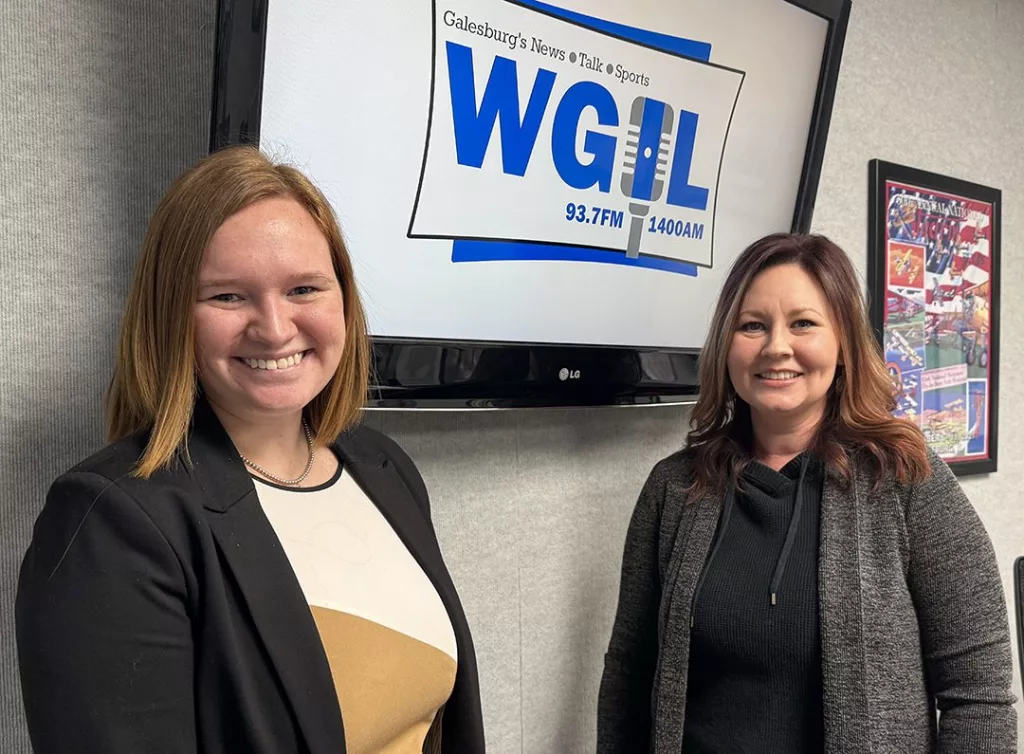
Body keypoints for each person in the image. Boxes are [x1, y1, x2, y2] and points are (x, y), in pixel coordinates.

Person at [16, 146, 485, 754]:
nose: (274, 327)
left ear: (343, 297)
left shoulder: (384, 468)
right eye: (228, 296)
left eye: (303, 288)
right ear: (170, 317)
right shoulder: (109, 523)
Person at [597, 233, 1015, 753]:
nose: (776, 346)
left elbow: (979, 697)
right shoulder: (674, 487)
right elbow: (629, 676)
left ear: (842, 344)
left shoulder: (906, 477)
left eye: (803, 323)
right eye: (752, 325)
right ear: (727, 345)